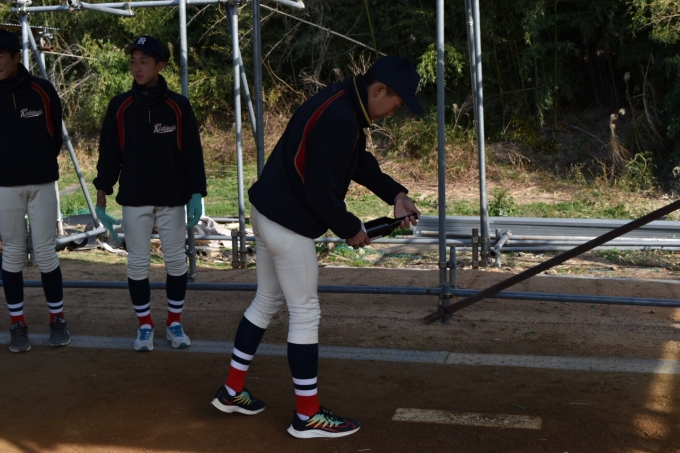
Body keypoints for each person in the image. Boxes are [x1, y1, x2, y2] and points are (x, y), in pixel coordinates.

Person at [211, 55, 422, 438]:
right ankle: (307, 416)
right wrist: (350, 228)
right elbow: (320, 192)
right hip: (287, 223)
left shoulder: (342, 101)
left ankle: (231, 390)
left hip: (267, 211)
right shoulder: (343, 118)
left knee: (266, 301)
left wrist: (396, 194)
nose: (396, 110)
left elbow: (356, 161)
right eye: (398, 102)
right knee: (305, 313)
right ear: (380, 90)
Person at [93, 35, 207, 352]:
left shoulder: (178, 106)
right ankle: (145, 326)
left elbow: (192, 154)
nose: (137, 67)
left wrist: (196, 192)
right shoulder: (120, 106)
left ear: (160, 66)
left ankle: (174, 323)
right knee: (138, 264)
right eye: (133, 61)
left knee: (176, 263)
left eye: (144, 62)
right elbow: (109, 154)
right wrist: (102, 194)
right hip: (134, 198)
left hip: (172, 198)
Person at [0, 29, 70, 353]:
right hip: (5, 187)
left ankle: (58, 319)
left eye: (2, 56)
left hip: (42, 184)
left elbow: (55, 136)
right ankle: (18, 324)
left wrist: (39, 163)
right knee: (13, 254)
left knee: (45, 253)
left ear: (17, 57)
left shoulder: (42, 90)